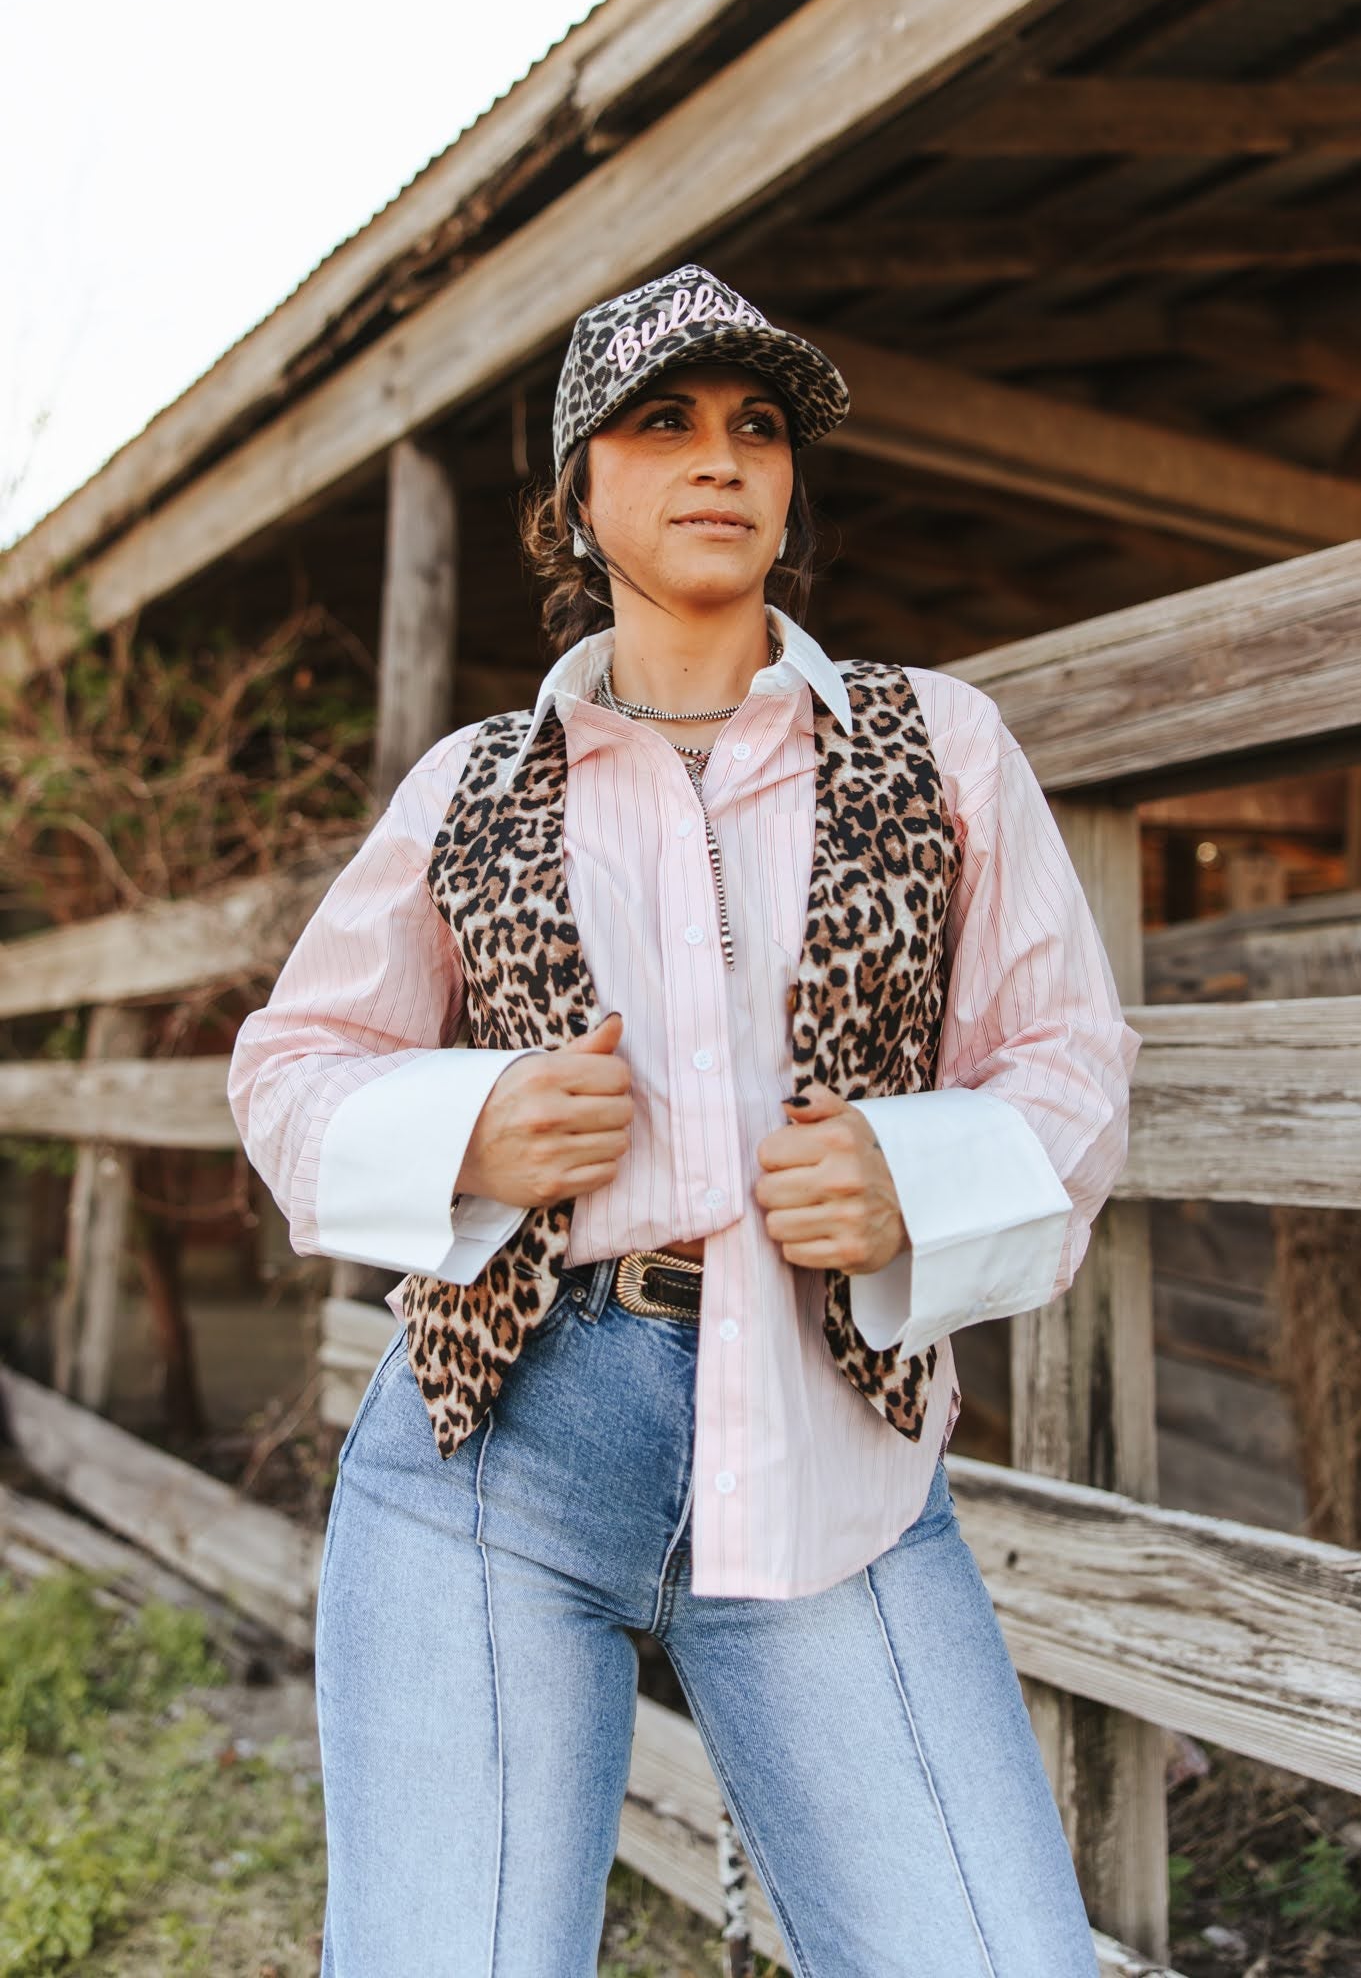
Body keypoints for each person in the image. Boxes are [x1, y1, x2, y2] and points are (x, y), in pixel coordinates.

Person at [228, 263, 1139, 1978]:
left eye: (757, 426)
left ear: (789, 487)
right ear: (577, 493)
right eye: (664, 423)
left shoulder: (936, 744)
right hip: (492, 1447)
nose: (720, 457)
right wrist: (475, 1127)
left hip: (832, 1450)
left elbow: (1067, 1060)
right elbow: (289, 1068)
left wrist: (911, 1179)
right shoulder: (476, 778)